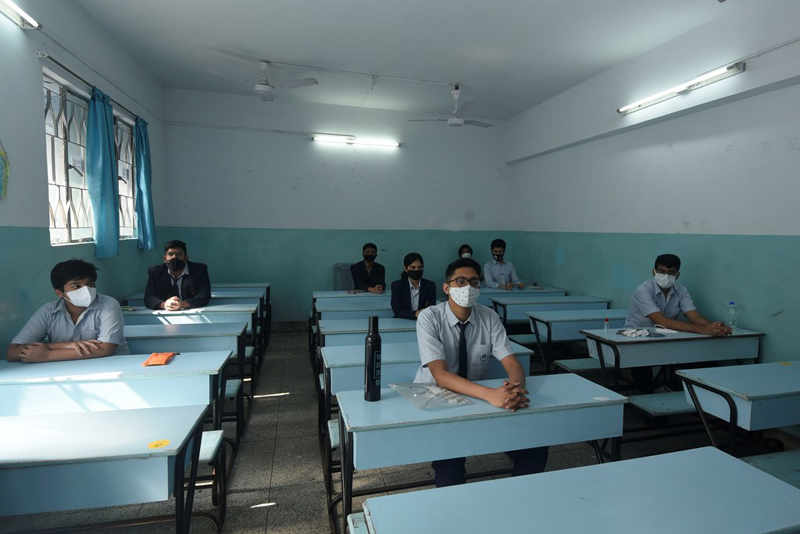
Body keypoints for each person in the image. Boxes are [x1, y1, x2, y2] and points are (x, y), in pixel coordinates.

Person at [414, 258, 548, 487]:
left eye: (474, 282)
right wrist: (492, 395)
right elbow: (441, 375)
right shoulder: (430, 317)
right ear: (447, 288)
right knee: (451, 469)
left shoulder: (489, 317)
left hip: (476, 397)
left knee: (535, 446)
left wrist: (513, 392)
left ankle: (521, 498)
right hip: (437, 400)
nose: (468, 287)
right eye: (461, 281)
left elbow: (513, 364)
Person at [625, 253, 732, 392]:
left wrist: (716, 327)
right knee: (643, 362)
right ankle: (647, 397)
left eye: (671, 273)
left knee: (702, 359)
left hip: (666, 337)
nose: (666, 276)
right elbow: (660, 321)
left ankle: (669, 389)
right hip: (637, 338)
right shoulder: (643, 290)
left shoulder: (681, 291)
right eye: (661, 271)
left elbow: (694, 317)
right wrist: (703, 329)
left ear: (677, 275)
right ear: (654, 271)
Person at [7, 259, 130, 362]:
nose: (86, 290)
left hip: (112, 365)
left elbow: (106, 349)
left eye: (90, 284)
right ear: (60, 292)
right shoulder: (48, 312)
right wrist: (63, 345)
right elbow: (12, 352)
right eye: (76, 286)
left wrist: (47, 354)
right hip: (65, 369)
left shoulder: (108, 305)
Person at [144, 239, 211, 310]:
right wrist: (165, 305)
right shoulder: (155, 271)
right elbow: (149, 297)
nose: (174, 257)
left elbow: (204, 296)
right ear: (165, 258)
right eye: (170, 254)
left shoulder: (199, 270)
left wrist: (182, 304)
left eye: (179, 254)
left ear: (186, 258)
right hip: (166, 312)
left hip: (190, 310)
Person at [390, 252, 437, 320]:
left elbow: (431, 308)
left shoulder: (430, 286)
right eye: (412, 268)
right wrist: (416, 313)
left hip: (424, 321)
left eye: (419, 267)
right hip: (402, 320)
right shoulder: (397, 286)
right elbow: (397, 311)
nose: (416, 270)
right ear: (406, 268)